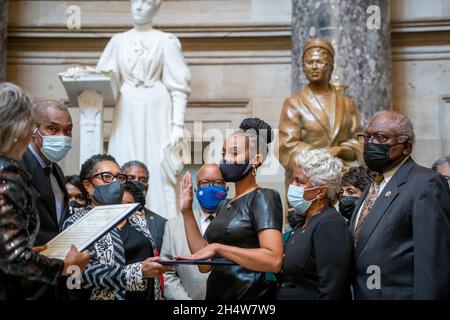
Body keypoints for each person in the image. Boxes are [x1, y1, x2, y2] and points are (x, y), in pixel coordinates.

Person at [97, 0, 191, 220]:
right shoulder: (118, 42)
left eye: (146, 1)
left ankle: (160, 223)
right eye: (135, 1)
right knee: (123, 159)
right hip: (127, 107)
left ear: (156, 7)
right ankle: (117, 218)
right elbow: (103, 79)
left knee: (158, 170)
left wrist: (177, 126)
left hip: (157, 109)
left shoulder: (165, 41)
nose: (139, 6)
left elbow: (179, 88)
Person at [0, 82, 90, 300]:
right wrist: (63, 266)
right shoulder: (9, 174)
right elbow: (13, 256)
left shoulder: (56, 170)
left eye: (68, 130)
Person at [179, 118, 284, 300]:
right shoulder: (224, 205)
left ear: (256, 160)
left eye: (234, 153)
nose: (226, 159)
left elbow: (273, 260)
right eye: (223, 153)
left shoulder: (264, 197)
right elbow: (204, 265)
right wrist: (187, 212)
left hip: (250, 296)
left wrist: (219, 248)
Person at [351, 111, 450, 299]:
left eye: (381, 137)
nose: (371, 144)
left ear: (405, 146)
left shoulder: (425, 183)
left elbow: (431, 264)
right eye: (367, 136)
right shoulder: (375, 183)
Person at [62, 154, 170, 300]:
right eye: (107, 177)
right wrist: (138, 272)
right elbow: (74, 274)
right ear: (88, 186)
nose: (115, 183)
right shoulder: (78, 223)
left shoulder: (135, 219)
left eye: (119, 177)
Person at [277, 38, 363, 196]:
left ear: (330, 65)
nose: (314, 67)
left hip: (344, 183)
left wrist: (340, 150)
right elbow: (287, 147)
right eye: (309, 62)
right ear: (303, 66)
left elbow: (359, 142)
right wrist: (325, 156)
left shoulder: (346, 103)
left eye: (320, 62)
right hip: (308, 184)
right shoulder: (294, 103)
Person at [278, 149, 352, 300]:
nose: (292, 186)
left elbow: (332, 290)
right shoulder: (304, 222)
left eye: (299, 182)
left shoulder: (330, 225)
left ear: (320, 191)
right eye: (293, 180)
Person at [18, 99, 73, 299]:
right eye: (52, 129)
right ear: (34, 129)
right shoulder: (17, 167)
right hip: (25, 281)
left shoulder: (55, 169)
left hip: (55, 280)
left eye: (68, 130)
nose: (63, 137)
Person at [160, 163, 227, 300]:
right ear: (196, 189)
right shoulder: (173, 226)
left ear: (226, 188)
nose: (211, 188)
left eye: (217, 183)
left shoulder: (239, 223)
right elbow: (167, 272)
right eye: (204, 183)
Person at [121, 160, 167, 252]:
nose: (137, 183)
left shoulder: (162, 223)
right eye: (131, 178)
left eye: (142, 180)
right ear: (121, 181)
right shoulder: (109, 217)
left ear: (147, 185)